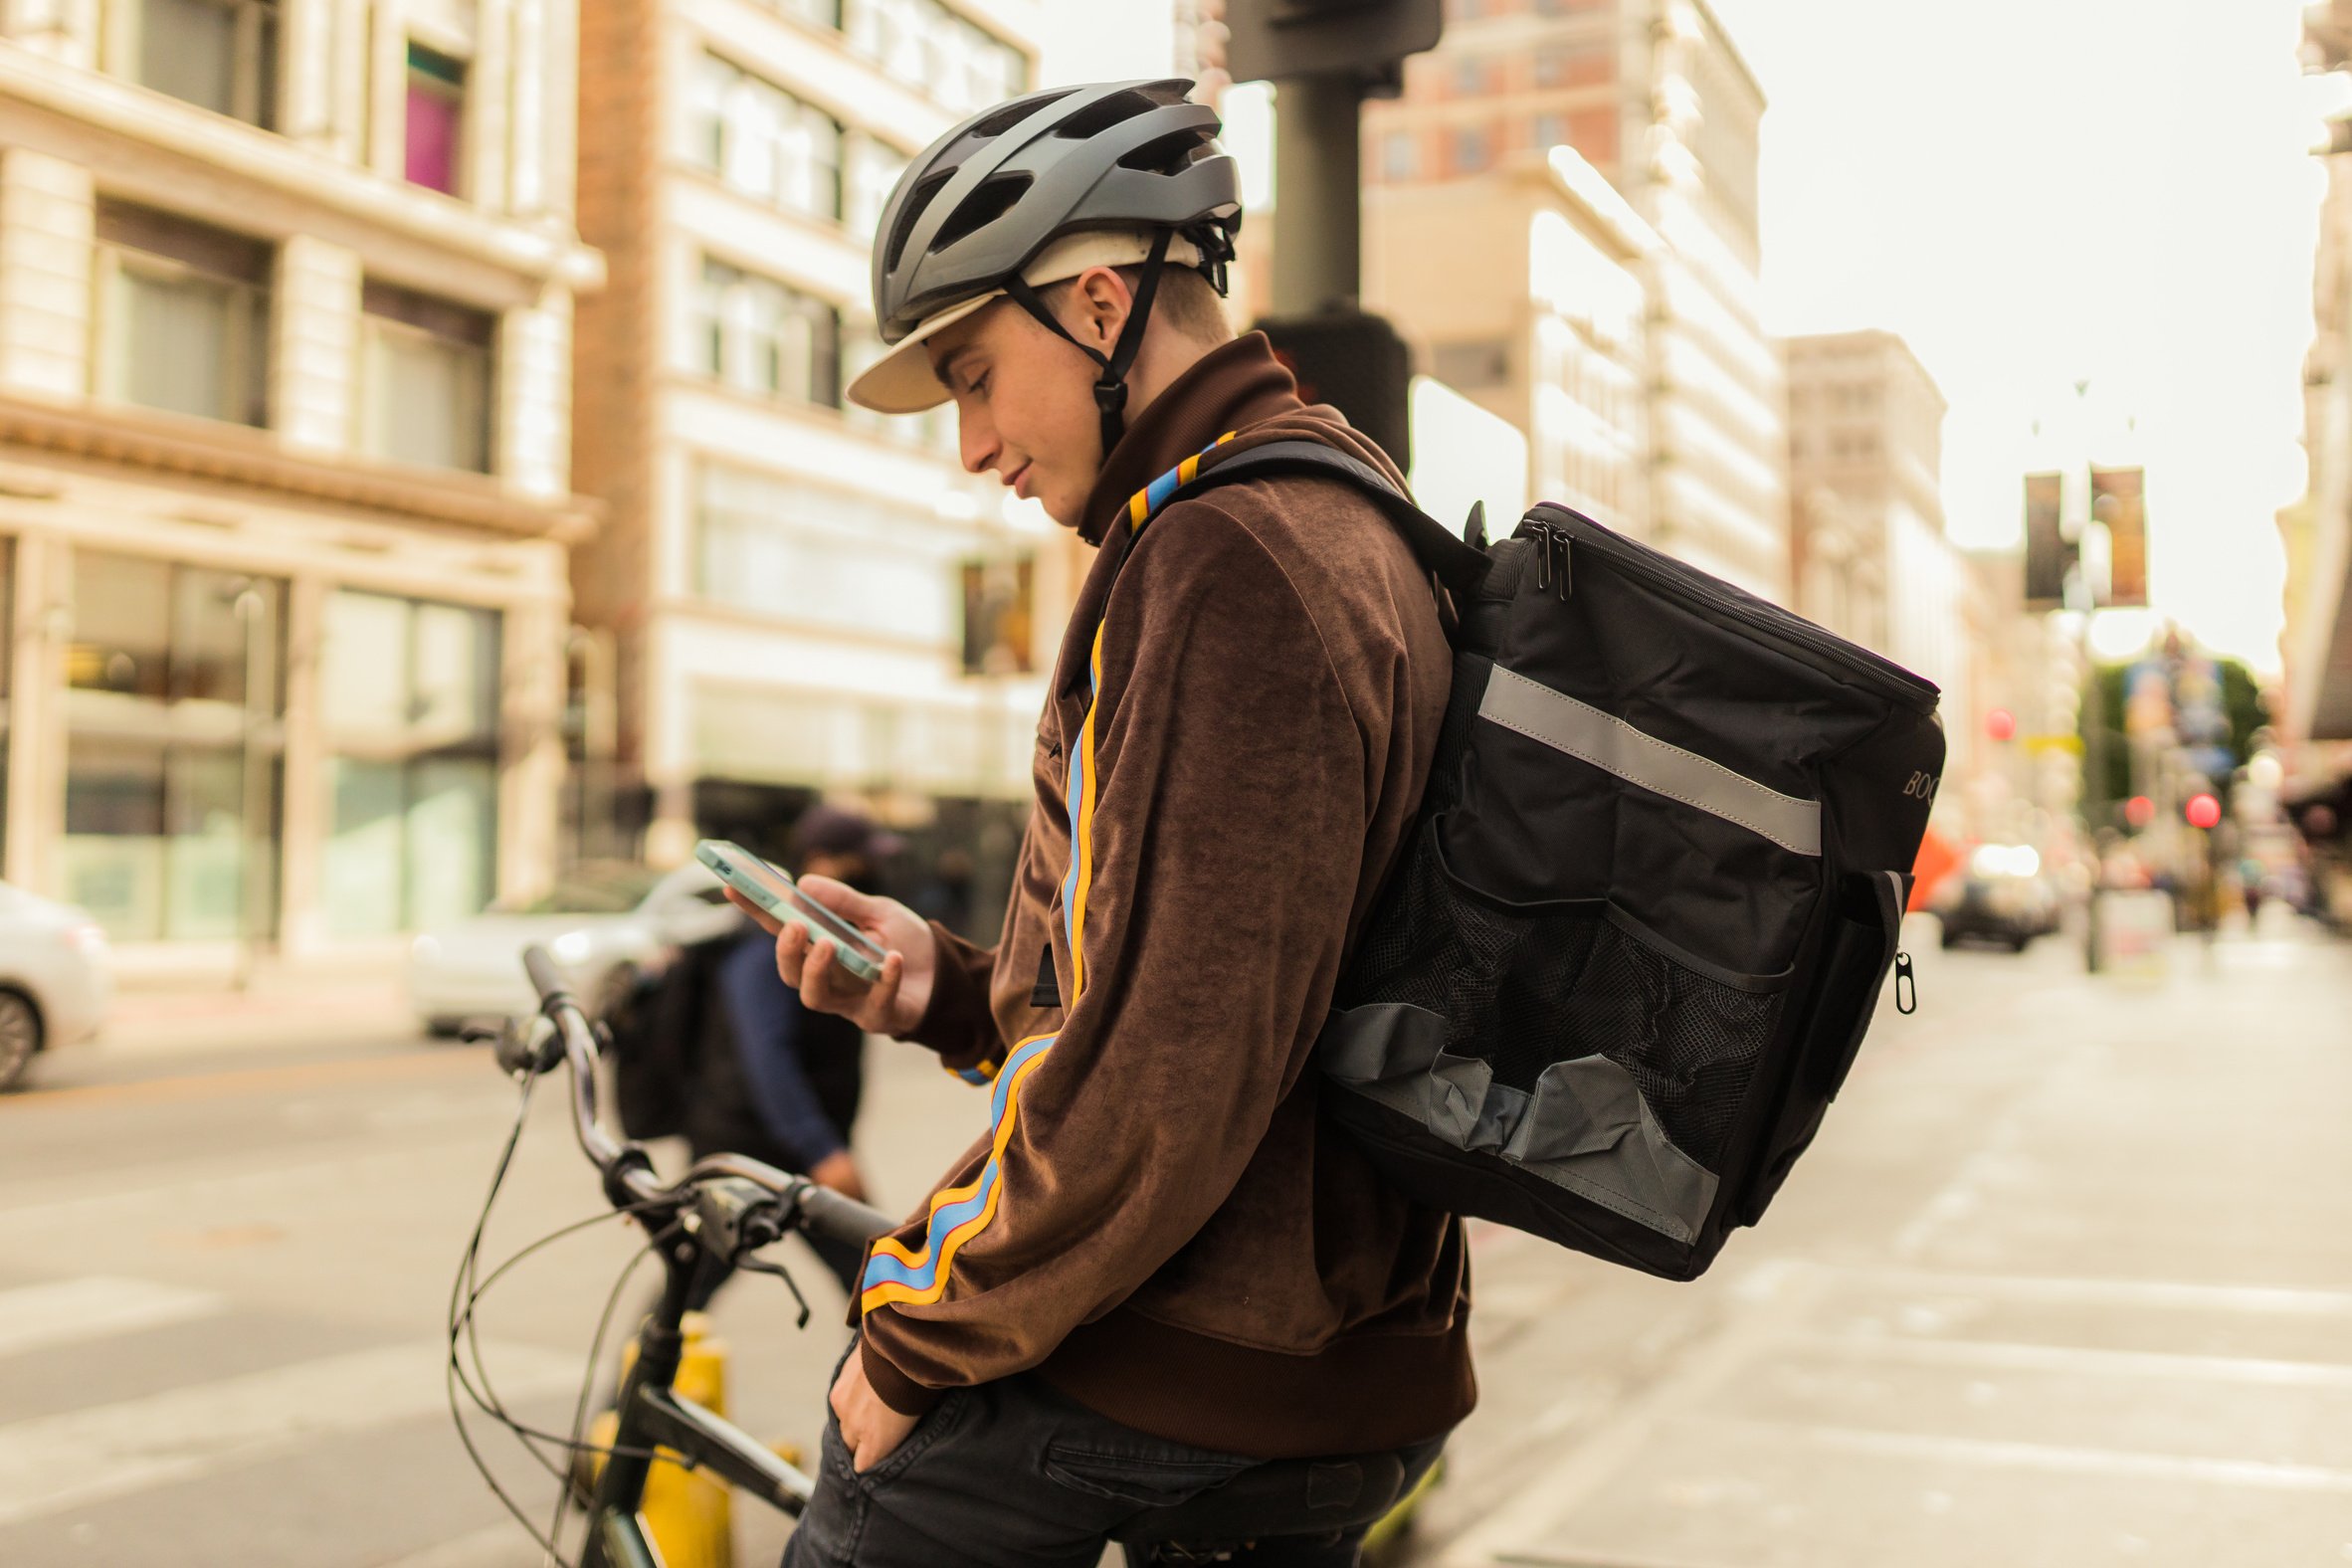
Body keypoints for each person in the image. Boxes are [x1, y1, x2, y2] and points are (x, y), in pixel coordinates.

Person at [726, 80, 1470, 1566]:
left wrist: (919, 1339)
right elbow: (1219, 992)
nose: (975, 446)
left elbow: (1166, 1076)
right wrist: (948, 984)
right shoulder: (1339, 508)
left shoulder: (1231, 559)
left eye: (977, 376)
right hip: (1309, 1354)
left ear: (1102, 302)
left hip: (1185, 1359)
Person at [684, 807, 893, 1297]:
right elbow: (767, 1056)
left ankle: (645, 1366)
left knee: (870, 1275)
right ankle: (641, 1370)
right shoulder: (771, 943)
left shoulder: (827, 936)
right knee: (875, 1276)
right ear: (821, 861)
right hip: (755, 1150)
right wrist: (822, 1151)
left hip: (785, 1146)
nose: (871, 873)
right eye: (857, 861)